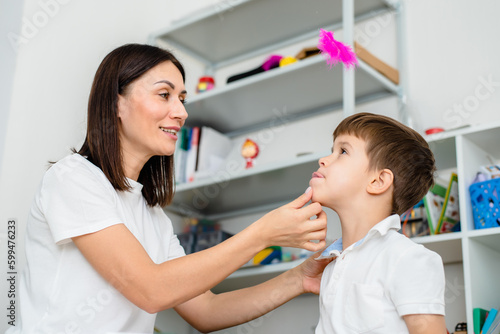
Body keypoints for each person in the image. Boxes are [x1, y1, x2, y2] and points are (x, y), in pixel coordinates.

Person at [8, 44, 331, 334]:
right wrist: (262, 234)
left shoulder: (151, 215)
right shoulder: (73, 179)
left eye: (182, 98)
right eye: (164, 95)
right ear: (115, 103)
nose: (181, 111)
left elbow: (207, 311)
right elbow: (151, 290)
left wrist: (298, 279)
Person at [309, 112, 446, 333]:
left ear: (378, 181)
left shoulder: (408, 258)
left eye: (342, 151)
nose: (323, 160)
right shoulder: (332, 264)